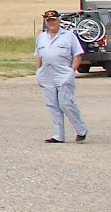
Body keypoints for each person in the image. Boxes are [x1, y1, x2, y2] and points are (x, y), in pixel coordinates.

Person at [35, 10, 87, 143]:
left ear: (58, 21)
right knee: (52, 104)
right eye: (48, 21)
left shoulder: (68, 36)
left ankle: (80, 129)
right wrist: (38, 71)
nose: (51, 23)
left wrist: (71, 71)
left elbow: (78, 54)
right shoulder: (42, 37)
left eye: (53, 20)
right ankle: (58, 135)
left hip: (63, 73)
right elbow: (39, 56)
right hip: (47, 74)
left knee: (65, 103)